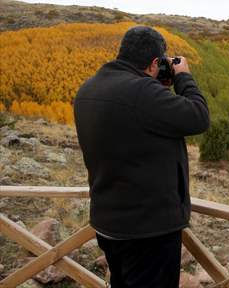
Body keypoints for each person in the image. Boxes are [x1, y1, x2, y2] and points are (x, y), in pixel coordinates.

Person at [74, 25, 210, 287]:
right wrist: (183, 77)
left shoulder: (88, 89)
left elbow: (132, 126)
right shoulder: (143, 94)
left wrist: (154, 84)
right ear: (154, 63)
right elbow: (198, 117)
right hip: (148, 232)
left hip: (109, 223)